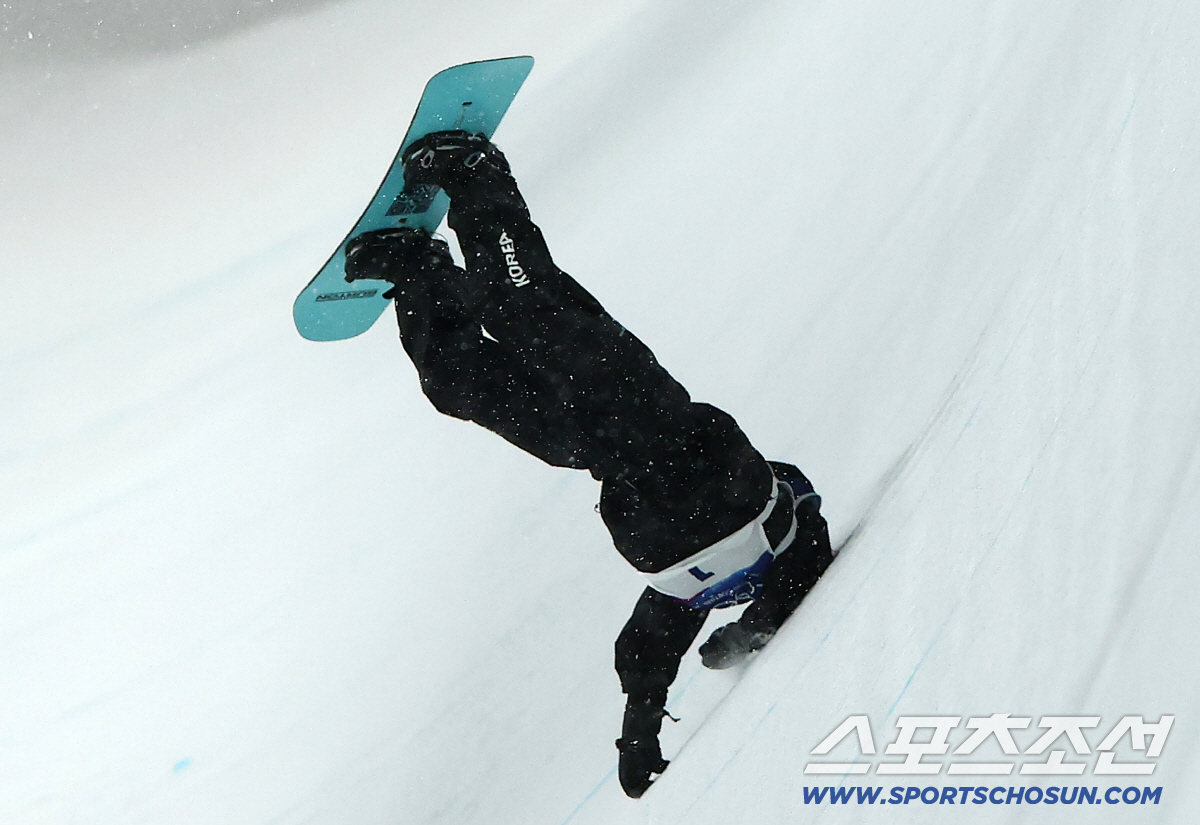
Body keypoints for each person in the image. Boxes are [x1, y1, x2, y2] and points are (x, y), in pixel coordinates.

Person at [342, 131, 835, 798]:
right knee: (524, 307)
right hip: (646, 413)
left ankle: (417, 271)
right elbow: (810, 555)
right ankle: (476, 175)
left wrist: (640, 742)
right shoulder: (785, 525)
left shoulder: (683, 594)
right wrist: (758, 623)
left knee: (457, 383)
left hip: (595, 453)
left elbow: (642, 655)